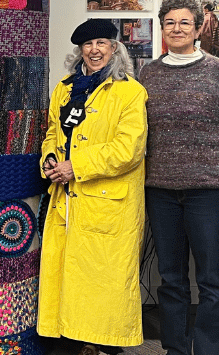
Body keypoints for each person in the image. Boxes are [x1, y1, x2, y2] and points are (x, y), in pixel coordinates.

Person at [139, 0, 219, 355]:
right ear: (162, 28)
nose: (177, 29)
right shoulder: (147, 73)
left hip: (211, 192)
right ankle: (176, 350)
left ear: (199, 28)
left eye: (185, 22)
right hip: (161, 191)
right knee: (171, 279)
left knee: (212, 279)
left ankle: (210, 351)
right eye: (170, 22)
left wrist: (215, 164)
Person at [38, 18, 148, 354]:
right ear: (80, 50)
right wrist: (50, 162)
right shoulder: (65, 89)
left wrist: (77, 166)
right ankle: (74, 344)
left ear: (115, 48)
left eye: (102, 43)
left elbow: (128, 150)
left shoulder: (130, 91)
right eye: (88, 44)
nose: (95, 50)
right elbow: (53, 135)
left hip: (107, 204)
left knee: (105, 287)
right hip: (66, 200)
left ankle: (103, 347)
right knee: (70, 284)